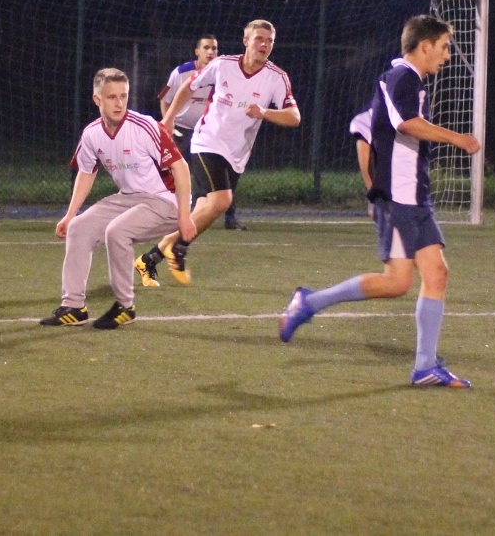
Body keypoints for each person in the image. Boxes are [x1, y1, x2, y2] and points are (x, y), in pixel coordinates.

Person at [279, 15, 481, 388]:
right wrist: (458, 138)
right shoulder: (401, 77)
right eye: (443, 47)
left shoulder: (409, 80)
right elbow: (406, 123)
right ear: (425, 46)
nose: (447, 55)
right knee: (407, 280)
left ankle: (423, 366)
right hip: (400, 197)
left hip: (413, 195)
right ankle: (310, 303)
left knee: (426, 276)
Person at [135, 19, 300, 286]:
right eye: (259, 39)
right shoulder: (223, 64)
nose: (264, 45)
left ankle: (152, 257)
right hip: (206, 141)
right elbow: (189, 86)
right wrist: (170, 119)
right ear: (246, 41)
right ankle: (177, 249)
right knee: (222, 201)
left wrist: (265, 112)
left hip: (237, 154)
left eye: (269, 41)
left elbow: (294, 117)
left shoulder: (276, 77)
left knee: (205, 211)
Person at [40, 67, 196, 329]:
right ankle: (74, 307)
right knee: (78, 228)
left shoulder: (145, 126)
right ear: (97, 99)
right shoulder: (92, 134)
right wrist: (69, 215)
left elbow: (180, 167)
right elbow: (86, 173)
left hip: (165, 200)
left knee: (117, 231)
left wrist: (184, 216)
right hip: (128, 198)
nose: (119, 103)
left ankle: (125, 307)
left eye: (123, 96)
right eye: (112, 97)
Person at [157, 35, 248, 234]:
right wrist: (168, 123)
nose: (210, 52)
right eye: (206, 48)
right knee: (174, 172)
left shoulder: (223, 72)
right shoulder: (182, 72)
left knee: (227, 173)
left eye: (214, 48)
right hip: (182, 129)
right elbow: (166, 98)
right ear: (197, 51)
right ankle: (167, 214)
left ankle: (229, 217)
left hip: (210, 133)